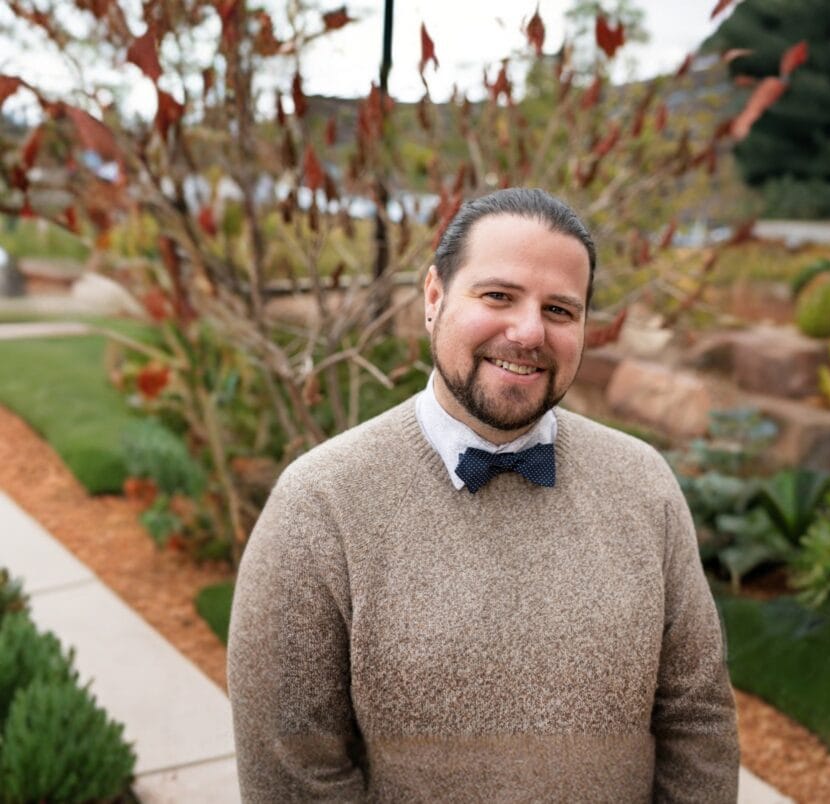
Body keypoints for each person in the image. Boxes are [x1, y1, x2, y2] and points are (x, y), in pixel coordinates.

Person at [227, 188, 739, 802]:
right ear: (435, 297)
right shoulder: (320, 502)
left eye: (559, 309)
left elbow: (698, 721)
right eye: (498, 296)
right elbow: (291, 767)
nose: (528, 332)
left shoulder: (643, 483)